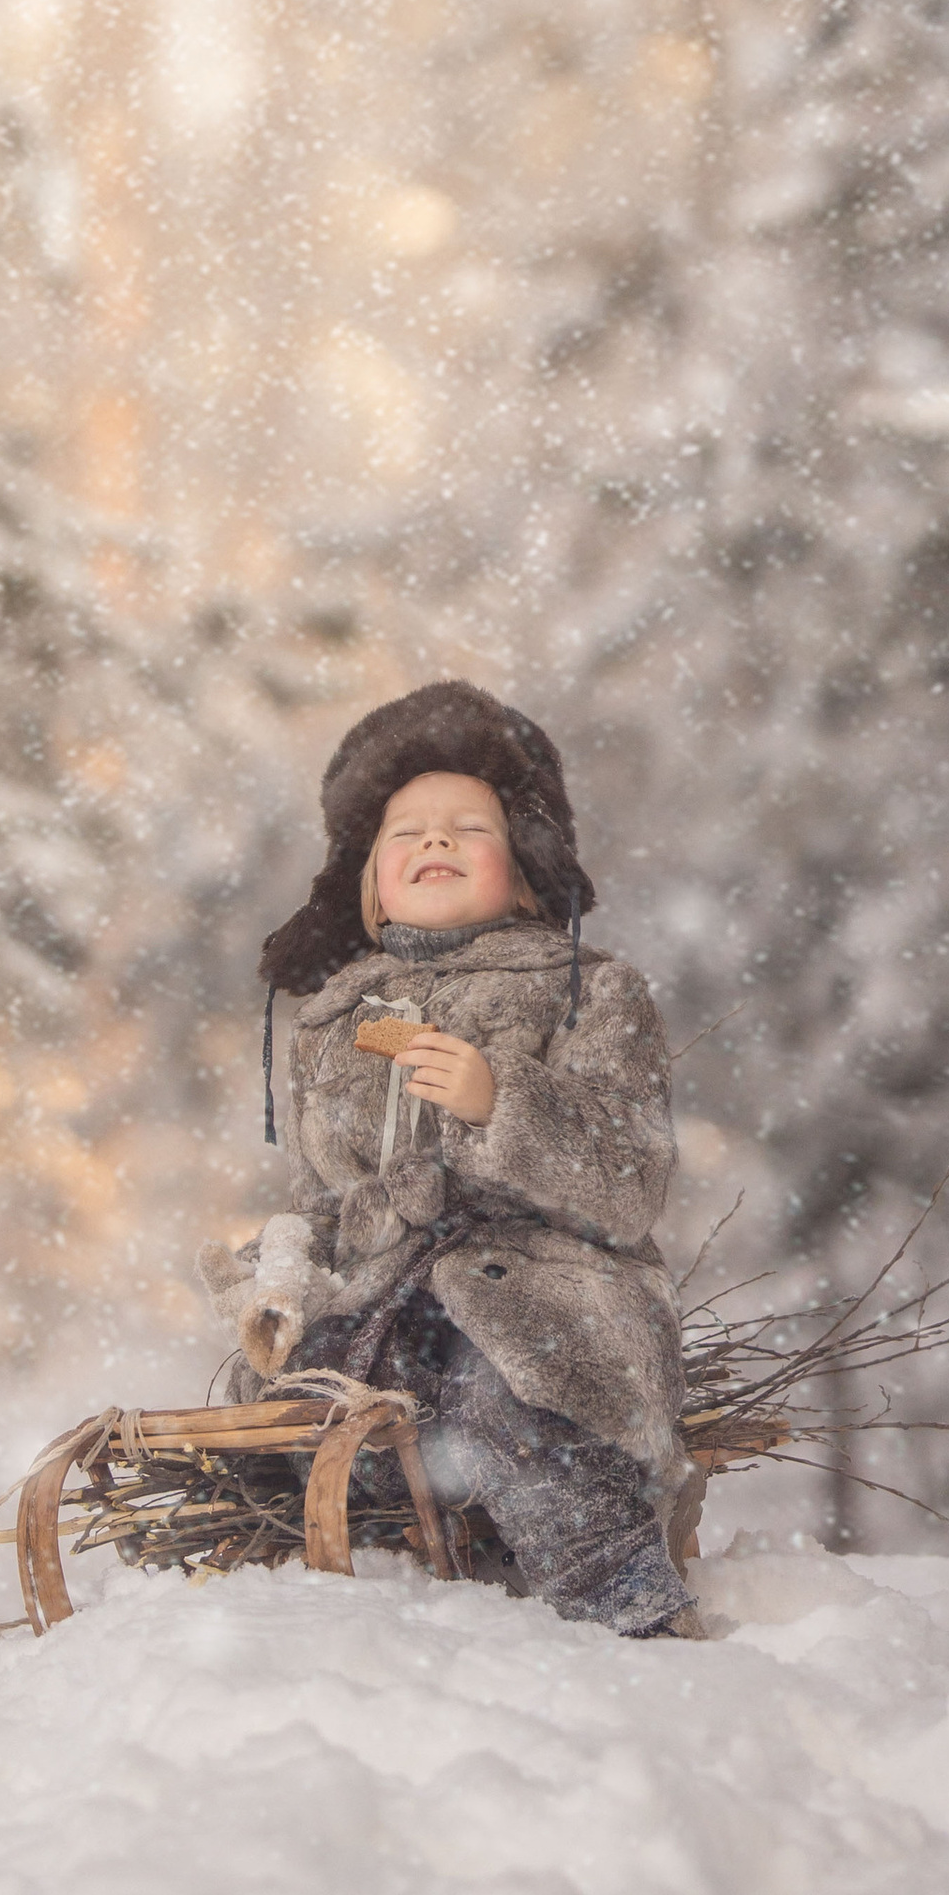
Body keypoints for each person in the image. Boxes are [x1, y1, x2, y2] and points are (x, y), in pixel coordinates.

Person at [203, 680, 705, 1640]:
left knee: (505, 1385)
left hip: (544, 1294)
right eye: (406, 833)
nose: (433, 842)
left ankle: (627, 1601)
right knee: (292, 1414)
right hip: (382, 1309)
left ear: (523, 870)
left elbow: (629, 1185)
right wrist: (285, 1269)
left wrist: (500, 1103)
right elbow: (324, 1192)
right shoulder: (332, 1024)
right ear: (368, 880)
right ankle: (336, 1619)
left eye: (465, 828)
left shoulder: (586, 994)